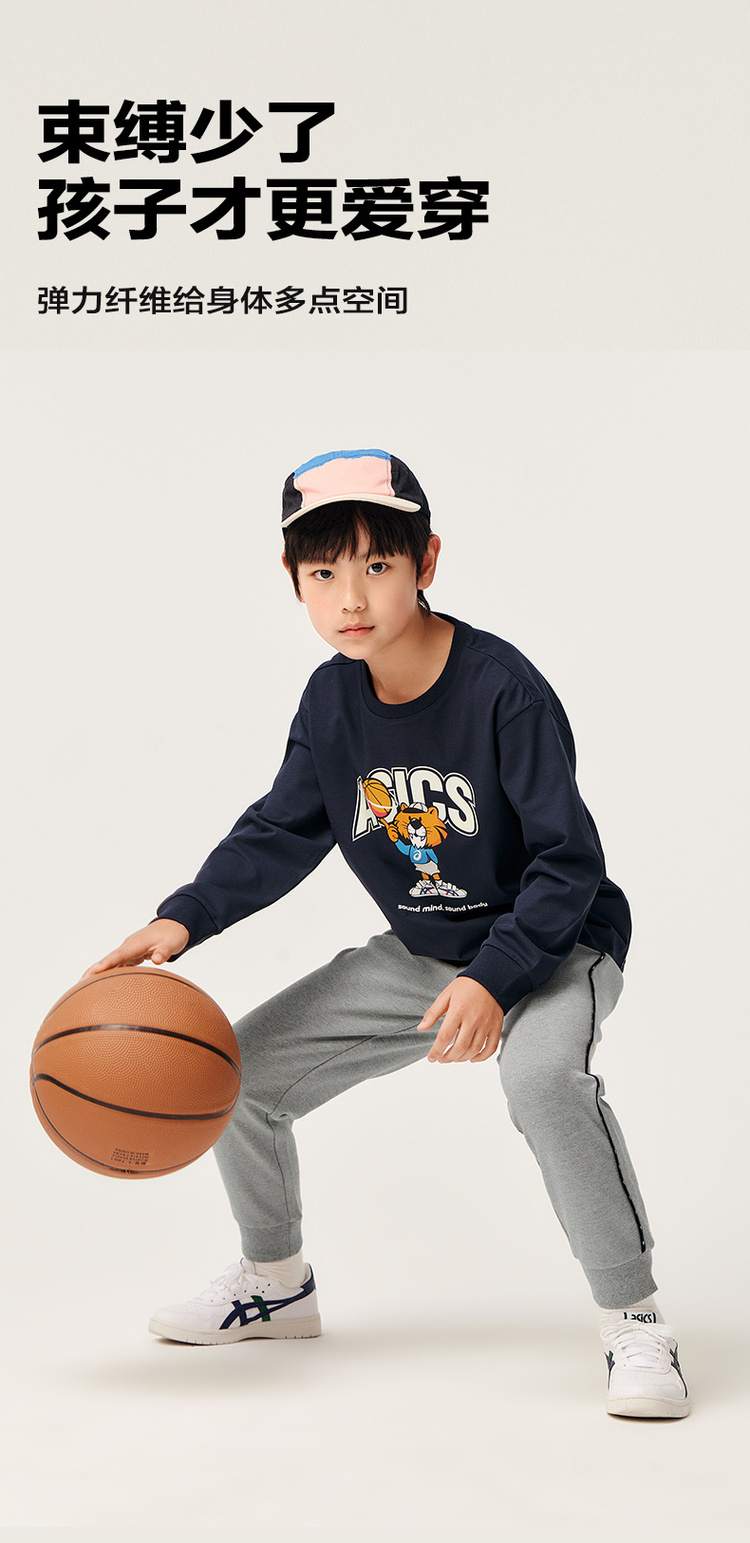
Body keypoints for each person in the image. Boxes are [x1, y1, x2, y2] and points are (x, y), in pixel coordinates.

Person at [83, 447, 689, 1419]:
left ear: (426, 561)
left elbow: (567, 860)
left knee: (542, 1081)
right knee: (237, 1073)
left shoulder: (501, 689)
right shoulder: (331, 702)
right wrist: (181, 917)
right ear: (294, 581)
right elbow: (282, 829)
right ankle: (275, 1283)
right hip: (426, 955)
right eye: (324, 571)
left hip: (557, 944)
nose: (351, 596)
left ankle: (636, 1319)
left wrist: (497, 978)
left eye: (376, 564)